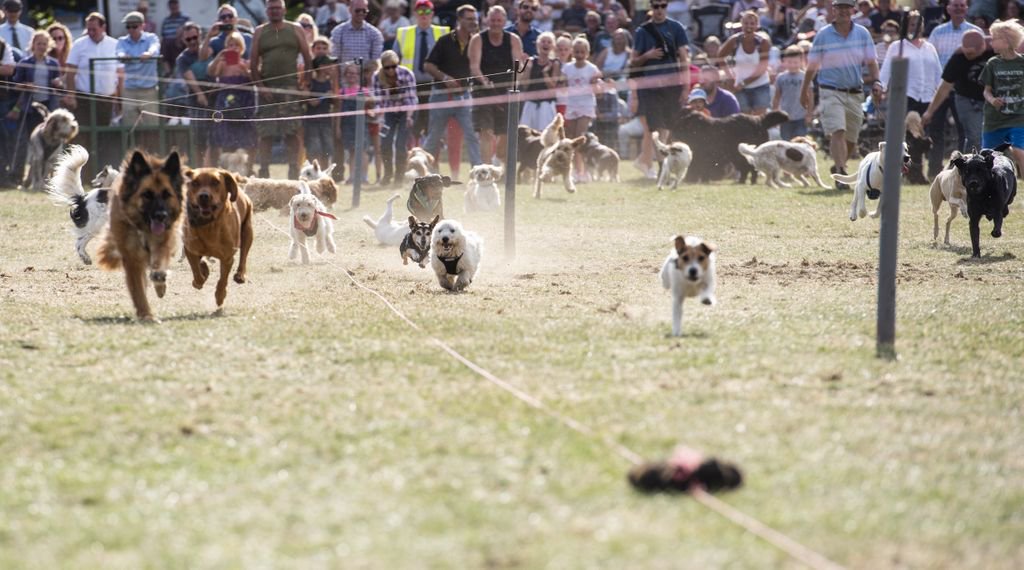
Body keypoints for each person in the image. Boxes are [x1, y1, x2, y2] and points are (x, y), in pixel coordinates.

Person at [801, 0, 879, 189]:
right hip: (830, 90)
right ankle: (841, 174)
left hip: (855, 92)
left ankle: (838, 165)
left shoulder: (862, 33)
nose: (844, 11)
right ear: (833, 9)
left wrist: (877, 81)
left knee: (851, 138)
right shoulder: (823, 34)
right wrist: (804, 90)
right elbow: (812, 65)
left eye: (847, 7)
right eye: (840, 7)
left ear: (853, 10)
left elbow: (871, 62)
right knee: (838, 131)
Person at [250, 0, 313, 178]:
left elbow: (308, 59)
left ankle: (294, 171)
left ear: (284, 10)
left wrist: (305, 84)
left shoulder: (295, 29)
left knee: (292, 132)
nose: (275, 11)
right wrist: (261, 88)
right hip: (267, 91)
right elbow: (253, 64)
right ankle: (264, 172)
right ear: (267, 11)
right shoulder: (260, 31)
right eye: (271, 9)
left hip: (290, 89)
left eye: (278, 8)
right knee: (265, 134)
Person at [629, 0, 690, 179]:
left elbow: (684, 60)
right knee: (653, 128)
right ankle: (658, 165)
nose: (659, 10)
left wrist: (686, 87)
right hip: (650, 87)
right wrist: (647, 55)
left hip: (672, 85)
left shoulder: (677, 28)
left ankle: (650, 162)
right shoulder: (642, 31)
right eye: (656, 6)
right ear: (651, 7)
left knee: (667, 127)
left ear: (667, 7)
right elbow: (633, 61)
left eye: (663, 6)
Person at [879, 10, 942, 181]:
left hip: (928, 98)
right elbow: (885, 72)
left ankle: (921, 171)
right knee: (909, 138)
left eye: (918, 24)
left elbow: (938, 74)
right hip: (906, 97)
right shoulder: (897, 46)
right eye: (911, 24)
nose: (915, 27)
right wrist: (880, 87)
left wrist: (941, 94)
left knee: (922, 138)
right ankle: (911, 173)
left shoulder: (929, 47)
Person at [423, 3, 483, 178]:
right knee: (433, 137)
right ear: (459, 20)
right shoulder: (445, 40)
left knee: (472, 135)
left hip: (464, 96)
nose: (473, 22)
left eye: (475, 19)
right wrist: (444, 78)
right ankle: (426, 174)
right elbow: (428, 65)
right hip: (441, 95)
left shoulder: (477, 41)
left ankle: (478, 174)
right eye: (469, 19)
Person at [924, 0, 981, 170]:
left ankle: (965, 168)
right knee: (935, 130)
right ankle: (934, 169)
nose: (958, 8)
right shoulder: (938, 31)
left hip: (963, 90)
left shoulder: (974, 32)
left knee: (965, 130)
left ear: (967, 8)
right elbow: (929, 58)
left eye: (962, 5)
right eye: (955, 5)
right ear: (948, 9)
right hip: (940, 88)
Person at [64, 12, 124, 173]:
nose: (91, 32)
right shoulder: (79, 44)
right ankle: (82, 173)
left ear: (103, 27)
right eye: (88, 29)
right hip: (84, 98)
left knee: (104, 137)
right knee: (82, 136)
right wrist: (71, 94)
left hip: (107, 99)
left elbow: (120, 75)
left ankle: (101, 173)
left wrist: (119, 100)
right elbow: (70, 71)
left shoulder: (115, 44)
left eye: (94, 29)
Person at [469, 6, 524, 165]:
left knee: (505, 133)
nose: (495, 23)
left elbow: (518, 66)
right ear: (487, 20)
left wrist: (518, 76)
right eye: (492, 20)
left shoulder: (513, 39)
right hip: (483, 91)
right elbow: (474, 67)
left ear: (505, 21)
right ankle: (485, 169)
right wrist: (485, 81)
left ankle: (498, 162)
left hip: (506, 92)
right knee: (486, 132)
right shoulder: (478, 40)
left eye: (499, 20)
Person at [923, 30, 992, 153]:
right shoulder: (958, 57)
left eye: (971, 53)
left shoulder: (996, 48)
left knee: (996, 137)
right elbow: (945, 87)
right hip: (967, 99)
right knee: (975, 136)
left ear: (983, 47)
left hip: (992, 100)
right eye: (965, 51)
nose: (967, 56)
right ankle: (969, 168)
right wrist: (930, 111)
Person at [7, 30, 62, 185]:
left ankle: (47, 178)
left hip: (48, 109)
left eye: (44, 44)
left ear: (48, 45)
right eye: (39, 43)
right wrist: (25, 85)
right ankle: (23, 176)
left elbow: (59, 84)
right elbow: (14, 85)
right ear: (33, 45)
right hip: (29, 109)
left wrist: (58, 83)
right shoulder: (25, 62)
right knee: (31, 144)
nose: (42, 46)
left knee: (49, 144)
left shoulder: (53, 63)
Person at [396, 0, 450, 144]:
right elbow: (394, 60)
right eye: (420, 11)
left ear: (432, 14)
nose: (423, 15)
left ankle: (432, 161)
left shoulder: (443, 32)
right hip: (410, 87)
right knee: (412, 124)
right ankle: (412, 157)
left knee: (433, 125)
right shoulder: (403, 33)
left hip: (435, 85)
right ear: (415, 14)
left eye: (427, 11)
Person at [981, 19, 1024, 176]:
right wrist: (993, 100)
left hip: (1019, 116)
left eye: (994, 39)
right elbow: (986, 91)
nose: (991, 42)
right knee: (988, 156)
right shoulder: (992, 64)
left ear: (1006, 41)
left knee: (1019, 150)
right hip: (994, 119)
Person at [208, 31, 256, 165]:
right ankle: (225, 165)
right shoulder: (222, 64)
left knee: (245, 138)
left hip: (243, 102)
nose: (233, 47)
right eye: (230, 45)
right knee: (226, 137)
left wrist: (245, 70)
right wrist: (219, 57)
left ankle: (247, 166)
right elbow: (211, 73)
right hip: (225, 102)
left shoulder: (245, 63)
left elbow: (253, 81)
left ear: (241, 48)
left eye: (236, 45)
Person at [373, 50, 418, 185]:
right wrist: (380, 119)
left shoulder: (407, 74)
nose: (391, 70)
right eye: (387, 67)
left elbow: (411, 98)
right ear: (383, 67)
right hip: (388, 113)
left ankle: (399, 176)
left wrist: (409, 117)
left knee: (400, 144)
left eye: (394, 66)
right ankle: (388, 174)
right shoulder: (377, 77)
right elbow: (378, 100)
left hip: (406, 111)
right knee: (385, 143)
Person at [563, 36, 602, 180]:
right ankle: (575, 170)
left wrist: (595, 83)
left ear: (587, 53)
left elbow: (598, 89)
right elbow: (562, 83)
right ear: (572, 52)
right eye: (576, 52)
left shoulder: (592, 69)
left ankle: (584, 171)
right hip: (572, 105)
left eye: (582, 52)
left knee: (580, 137)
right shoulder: (567, 68)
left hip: (586, 106)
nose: (579, 55)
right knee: (571, 139)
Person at [719, 10, 771, 115]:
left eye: (752, 24)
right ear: (741, 24)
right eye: (746, 23)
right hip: (739, 87)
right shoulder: (735, 40)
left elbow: (762, 68)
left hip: (760, 85)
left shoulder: (763, 42)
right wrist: (729, 76)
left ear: (757, 25)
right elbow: (720, 56)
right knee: (744, 118)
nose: (749, 26)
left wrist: (744, 83)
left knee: (760, 118)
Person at [176, 22, 213, 165]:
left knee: (214, 137)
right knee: (199, 139)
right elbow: (189, 77)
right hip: (196, 99)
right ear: (183, 41)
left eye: (194, 37)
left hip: (215, 96)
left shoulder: (210, 49)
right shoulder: (182, 58)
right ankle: (200, 168)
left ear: (200, 36)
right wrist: (200, 94)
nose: (192, 41)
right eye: (188, 39)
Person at [117, 11, 161, 127]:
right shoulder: (122, 40)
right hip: (129, 90)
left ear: (143, 25)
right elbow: (119, 52)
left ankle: (152, 145)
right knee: (129, 126)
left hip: (149, 89)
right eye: (128, 26)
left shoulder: (151, 38)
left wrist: (149, 53)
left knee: (152, 125)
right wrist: (123, 56)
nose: (131, 29)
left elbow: (155, 48)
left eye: (134, 26)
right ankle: (132, 146)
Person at [304, 37, 339, 173]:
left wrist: (333, 86)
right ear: (319, 67)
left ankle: (325, 173)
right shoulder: (311, 82)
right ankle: (313, 173)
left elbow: (336, 101)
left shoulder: (330, 83)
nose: (329, 67)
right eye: (326, 65)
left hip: (326, 120)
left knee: (327, 149)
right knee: (314, 149)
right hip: (312, 120)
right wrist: (325, 95)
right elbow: (312, 102)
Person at [520, 30, 560, 130]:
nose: (545, 44)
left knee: (544, 133)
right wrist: (527, 68)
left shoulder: (555, 63)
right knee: (526, 133)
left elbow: (552, 86)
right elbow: (524, 84)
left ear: (553, 46)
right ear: (538, 44)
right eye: (543, 41)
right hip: (530, 102)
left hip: (546, 104)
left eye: (549, 42)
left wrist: (545, 73)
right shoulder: (531, 61)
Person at [330, 0, 384, 66]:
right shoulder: (338, 32)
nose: (361, 13)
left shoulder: (375, 34)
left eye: (364, 11)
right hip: (344, 75)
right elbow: (335, 60)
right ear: (350, 10)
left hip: (365, 75)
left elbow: (375, 62)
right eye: (357, 10)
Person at [772, 45, 809, 139]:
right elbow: (777, 97)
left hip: (801, 116)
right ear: (784, 62)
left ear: (801, 61)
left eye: (795, 62)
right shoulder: (781, 78)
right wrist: (775, 114)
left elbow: (810, 96)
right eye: (789, 62)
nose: (792, 65)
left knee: (800, 142)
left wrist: (809, 113)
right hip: (785, 117)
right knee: (786, 142)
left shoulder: (805, 77)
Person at [595, 28, 631, 95]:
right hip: (604, 78)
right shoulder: (606, 52)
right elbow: (597, 68)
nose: (619, 41)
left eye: (621, 39)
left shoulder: (629, 54)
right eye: (617, 39)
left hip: (619, 80)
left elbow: (627, 71)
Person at [160, 0, 190, 75]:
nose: (173, 6)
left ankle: (175, 70)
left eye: (175, 3)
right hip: (168, 45)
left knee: (172, 42)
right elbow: (163, 36)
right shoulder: (166, 21)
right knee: (164, 43)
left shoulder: (185, 19)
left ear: (178, 5)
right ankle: (168, 71)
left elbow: (189, 32)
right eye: (171, 4)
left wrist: (180, 34)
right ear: (169, 6)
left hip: (181, 44)